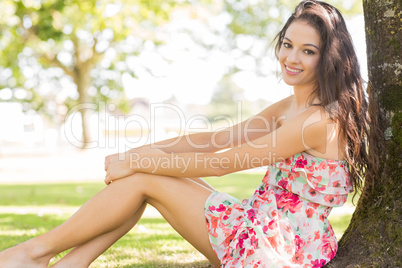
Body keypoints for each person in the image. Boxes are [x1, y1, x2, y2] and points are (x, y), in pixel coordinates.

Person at [0, 0, 378, 267]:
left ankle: (33, 254)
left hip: (273, 250)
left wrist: (135, 160)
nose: (291, 58)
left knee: (145, 177)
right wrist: (141, 151)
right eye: (287, 44)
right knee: (146, 173)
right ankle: (69, 262)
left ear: (328, 56)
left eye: (307, 51)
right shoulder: (290, 107)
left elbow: (224, 164)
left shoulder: (317, 121)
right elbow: (214, 140)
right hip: (264, 227)